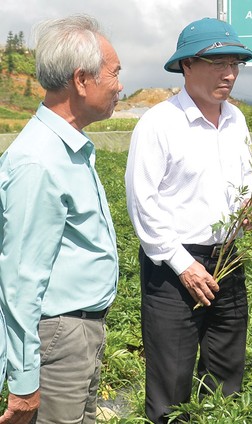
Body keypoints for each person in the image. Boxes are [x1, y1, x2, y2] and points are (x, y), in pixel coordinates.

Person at [125, 18, 252, 422]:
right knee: (172, 386)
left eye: (235, 63)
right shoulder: (159, 123)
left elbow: (246, 182)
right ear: (187, 65)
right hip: (173, 268)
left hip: (227, 261)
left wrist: (249, 206)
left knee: (226, 376)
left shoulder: (236, 120)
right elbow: (142, 202)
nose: (229, 73)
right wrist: (184, 265)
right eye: (218, 62)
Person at [0, 15, 122, 422]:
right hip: (58, 337)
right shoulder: (39, 160)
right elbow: (20, 278)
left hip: (79, 332)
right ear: (82, 80)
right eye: (115, 74)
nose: (120, 86)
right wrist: (23, 381)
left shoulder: (69, 147)